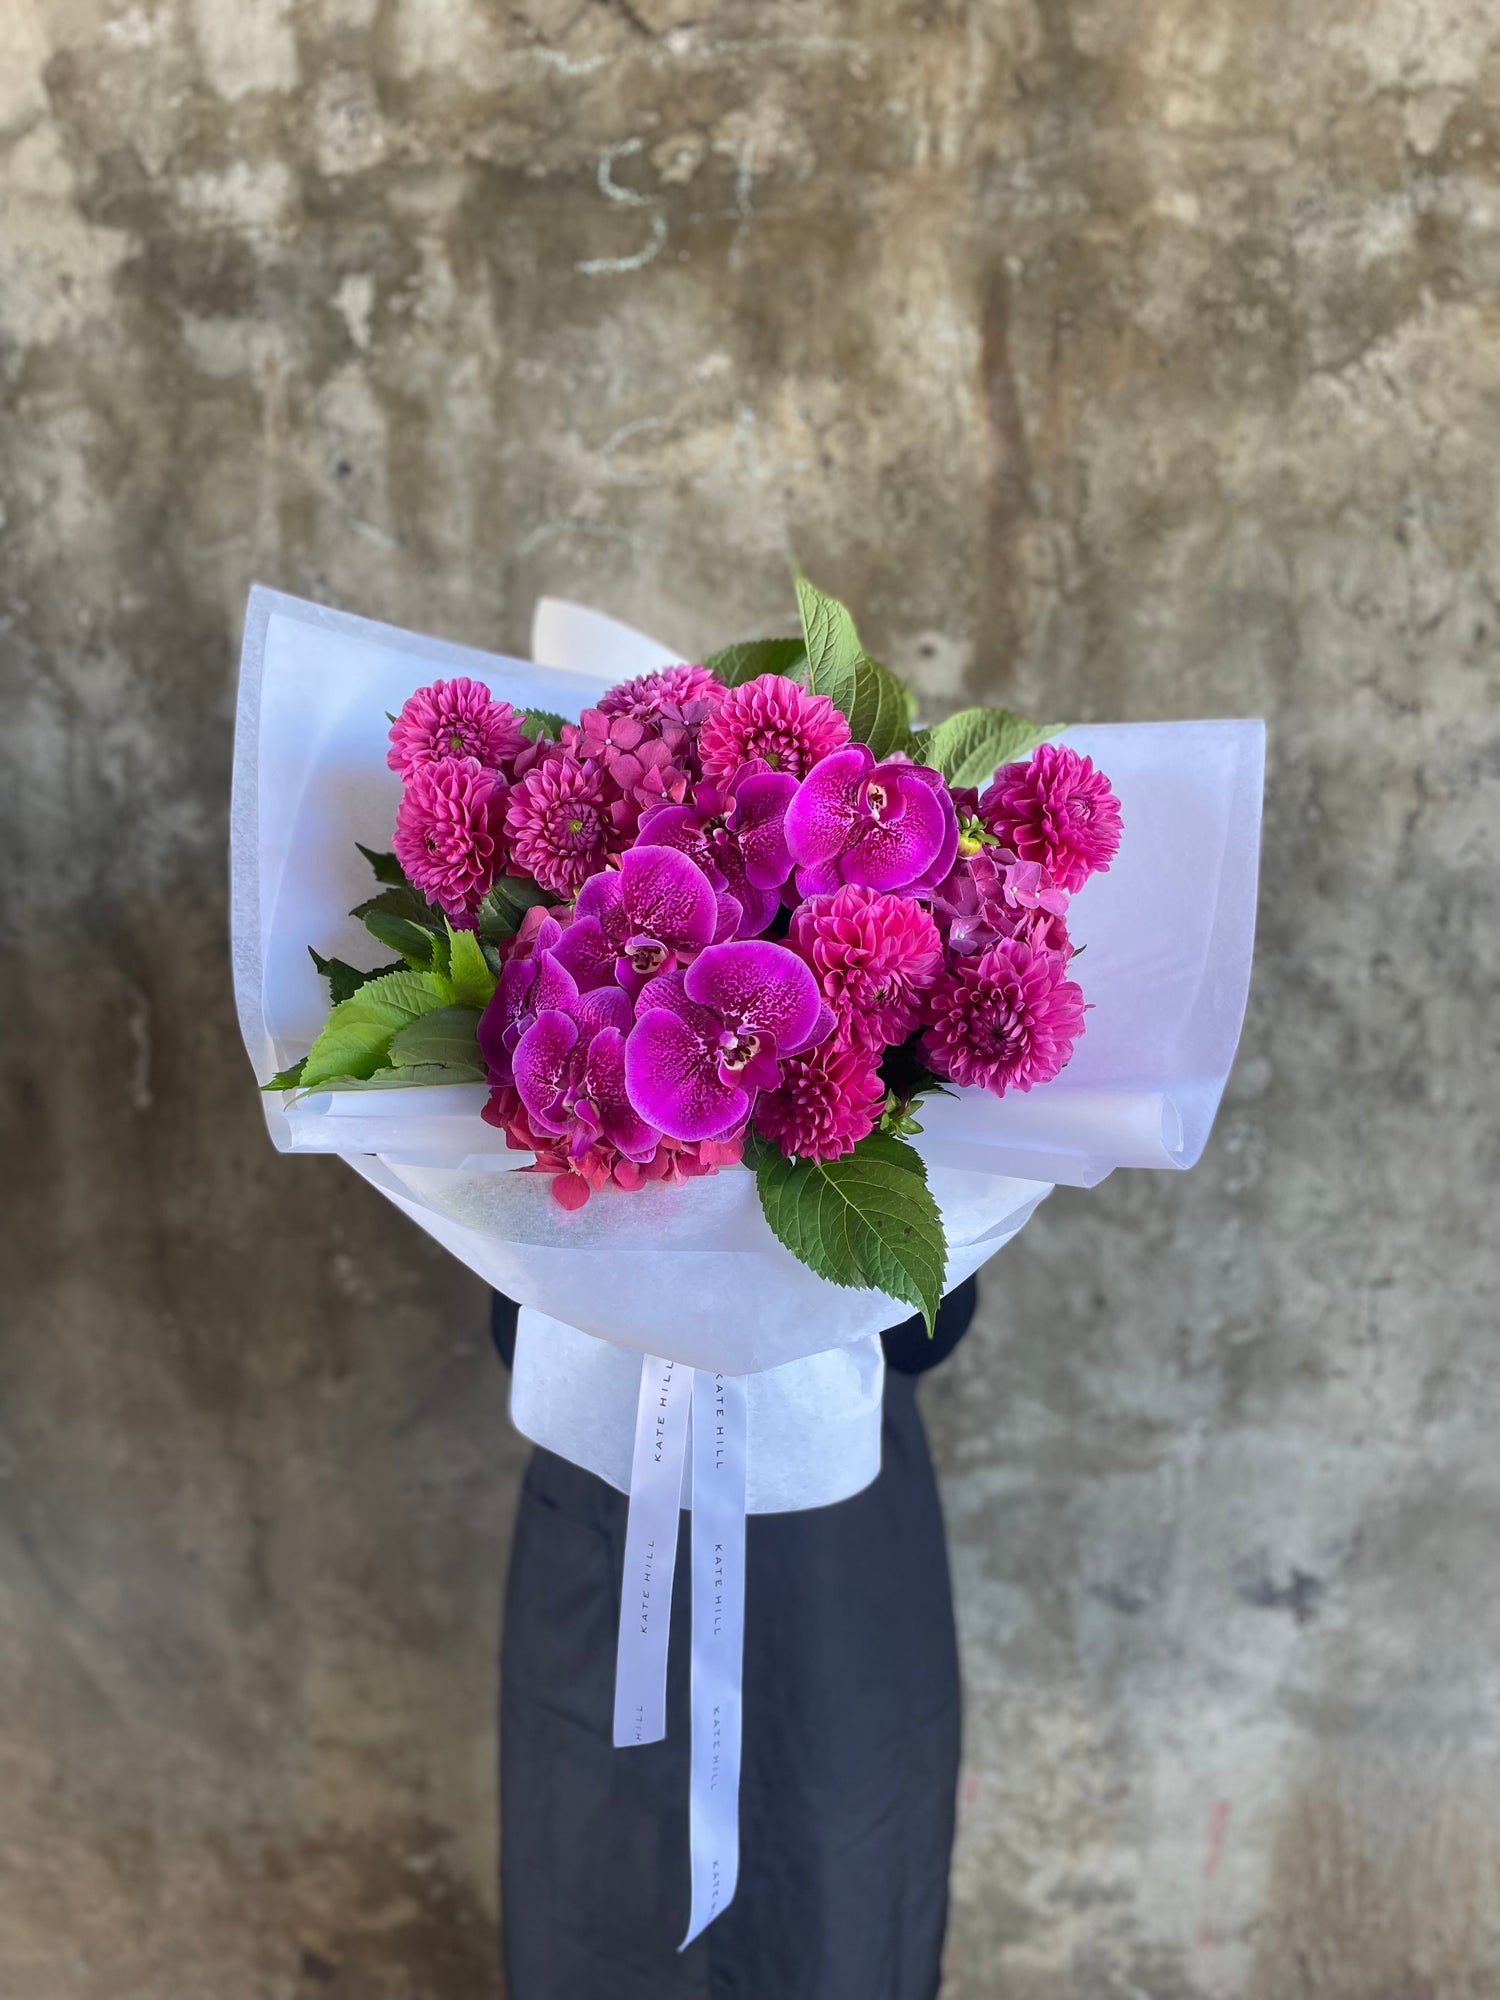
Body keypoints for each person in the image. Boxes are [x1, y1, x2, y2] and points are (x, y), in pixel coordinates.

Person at [491, 1277, 978, 2000]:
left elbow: (927, 1328)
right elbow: (515, 1318)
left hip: (833, 1536)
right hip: (614, 1502)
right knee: (597, 1882)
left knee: (839, 1899)